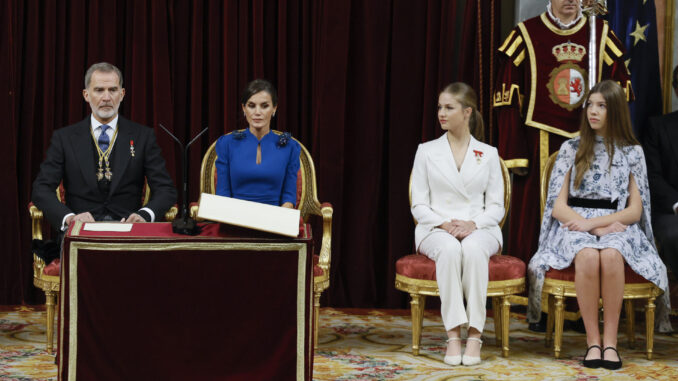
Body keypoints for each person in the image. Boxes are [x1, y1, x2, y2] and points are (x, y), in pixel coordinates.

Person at [527, 80, 670, 370]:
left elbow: (635, 211)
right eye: (590, 104)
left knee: (612, 255)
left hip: (616, 223)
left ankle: (610, 343)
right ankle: (593, 342)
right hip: (574, 223)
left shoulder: (632, 151)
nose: (592, 111)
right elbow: (557, 205)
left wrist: (603, 225)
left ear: (615, 110)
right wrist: (589, 226)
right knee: (589, 255)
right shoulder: (571, 148)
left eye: (601, 106)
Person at [493, 0, 632, 275]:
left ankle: (586, 299)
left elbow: (621, 93)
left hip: (594, 142)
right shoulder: (526, 34)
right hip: (539, 142)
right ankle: (538, 291)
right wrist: (515, 152)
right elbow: (507, 98)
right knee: (536, 216)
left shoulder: (600, 33)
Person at [410, 83, 504, 366]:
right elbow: (418, 205)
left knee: (474, 251)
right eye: (439, 107)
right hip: (435, 229)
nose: (441, 113)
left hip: (481, 228)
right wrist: (444, 224)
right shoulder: (426, 151)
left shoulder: (488, 153)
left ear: (467, 112)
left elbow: (496, 207)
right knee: (450, 250)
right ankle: (453, 335)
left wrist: (473, 223)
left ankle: (474, 335)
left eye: (448, 107)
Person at [32, 62, 177, 235]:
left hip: (128, 232)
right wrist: (70, 218)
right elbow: (41, 189)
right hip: (80, 233)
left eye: (113, 90)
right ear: (86, 95)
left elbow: (166, 189)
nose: (106, 97)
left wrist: (144, 215)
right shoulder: (64, 138)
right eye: (99, 90)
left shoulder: (142, 137)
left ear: (122, 94)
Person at [215, 79, 300, 207]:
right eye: (251, 105)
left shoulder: (290, 147)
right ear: (244, 108)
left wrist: (278, 221)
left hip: (274, 221)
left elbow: (289, 197)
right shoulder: (226, 143)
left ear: (274, 108)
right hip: (235, 219)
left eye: (264, 106)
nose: (257, 112)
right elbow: (222, 194)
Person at [645, 64, 678, 277]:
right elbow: (653, 177)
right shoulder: (657, 127)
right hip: (671, 211)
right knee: (675, 235)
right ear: (676, 89)